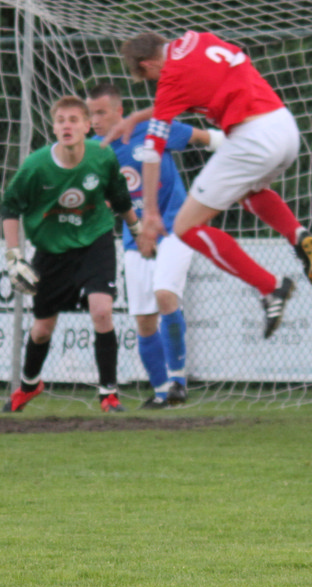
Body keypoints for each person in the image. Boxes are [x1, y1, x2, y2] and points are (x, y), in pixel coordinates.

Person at [113, 31, 312, 339]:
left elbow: (152, 151)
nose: (154, 83)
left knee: (185, 227)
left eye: (148, 78)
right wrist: (137, 117)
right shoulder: (201, 38)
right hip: (284, 127)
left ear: (147, 64)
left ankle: (271, 288)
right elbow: (203, 84)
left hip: (251, 138)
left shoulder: (170, 79)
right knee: (247, 191)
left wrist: (151, 213)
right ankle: (297, 234)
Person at [0, 95, 141, 414]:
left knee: (101, 311)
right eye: (61, 120)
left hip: (94, 241)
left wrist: (137, 228)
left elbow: (119, 196)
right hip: (51, 250)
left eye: (74, 120)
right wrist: (14, 256)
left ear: (87, 126)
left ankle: (109, 394)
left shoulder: (101, 156)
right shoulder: (36, 165)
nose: (67, 126)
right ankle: (29, 385)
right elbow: (9, 207)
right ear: (54, 128)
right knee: (42, 329)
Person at [86, 82, 222, 409]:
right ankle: (163, 394)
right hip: (136, 237)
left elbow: (205, 138)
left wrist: (239, 147)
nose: (95, 120)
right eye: (91, 114)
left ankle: (178, 381)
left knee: (164, 294)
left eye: (101, 113)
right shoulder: (94, 151)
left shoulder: (153, 128)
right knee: (145, 320)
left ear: (119, 111)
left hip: (177, 226)